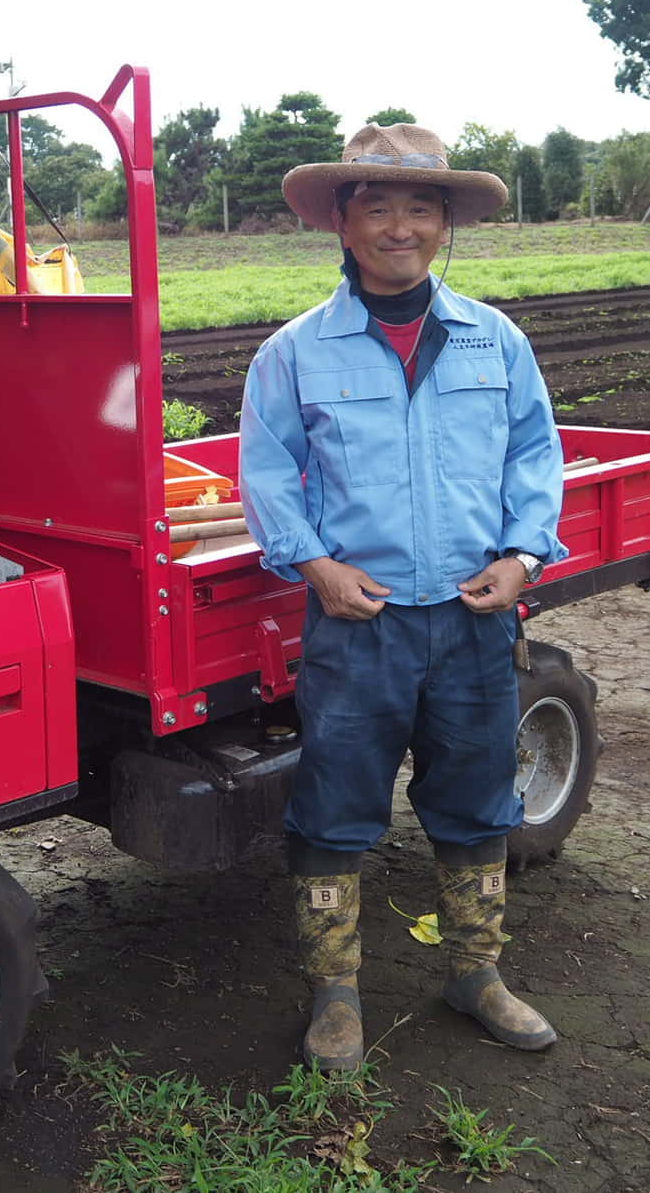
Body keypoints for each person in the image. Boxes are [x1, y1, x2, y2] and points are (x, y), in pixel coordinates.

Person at [238, 122, 566, 1072]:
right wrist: (314, 567)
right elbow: (268, 471)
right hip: (360, 624)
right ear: (343, 222)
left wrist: (523, 555)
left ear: (445, 222)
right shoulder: (295, 353)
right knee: (334, 809)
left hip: (473, 619)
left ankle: (476, 973)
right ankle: (335, 997)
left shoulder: (494, 339)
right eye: (376, 206)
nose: (399, 226)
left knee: (477, 802)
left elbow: (534, 455)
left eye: (419, 206)